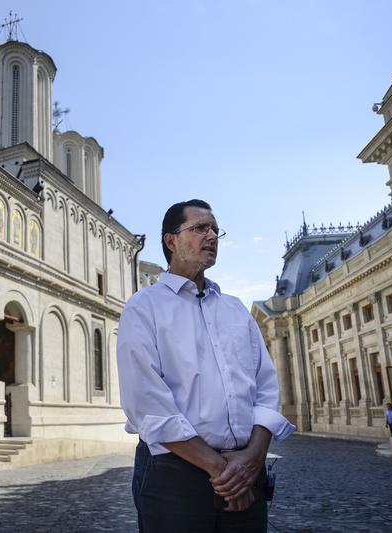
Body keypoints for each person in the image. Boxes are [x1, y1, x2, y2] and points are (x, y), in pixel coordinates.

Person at [117, 199, 295, 533]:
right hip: (174, 473)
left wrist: (253, 459)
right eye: (200, 228)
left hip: (246, 468)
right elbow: (147, 404)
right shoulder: (144, 307)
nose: (211, 235)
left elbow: (266, 388)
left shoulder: (236, 309)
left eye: (214, 229)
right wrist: (222, 470)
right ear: (171, 241)